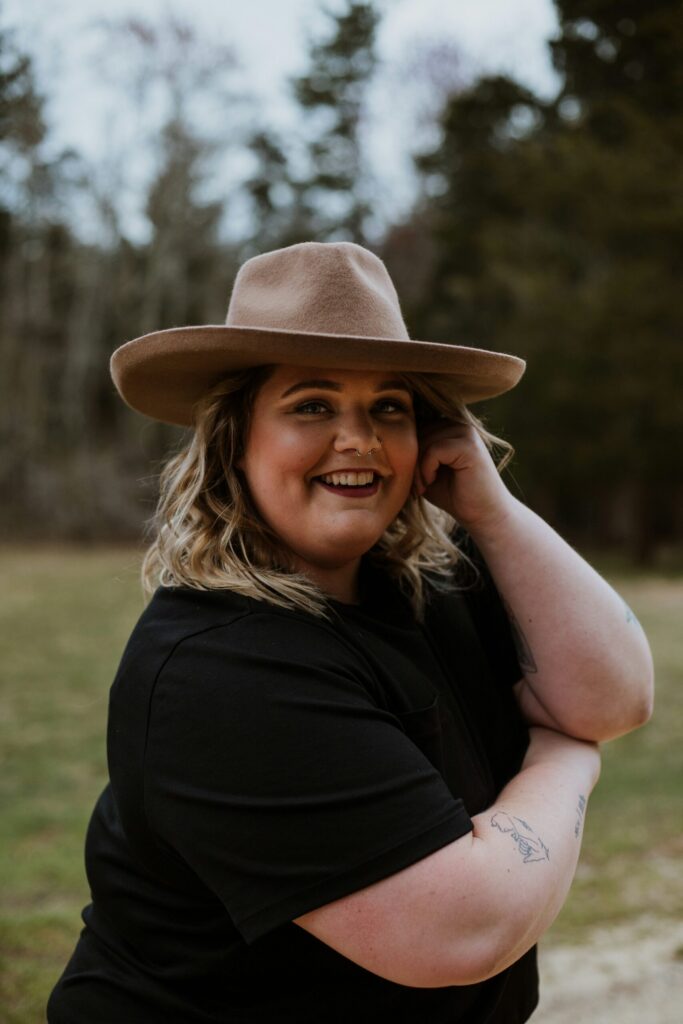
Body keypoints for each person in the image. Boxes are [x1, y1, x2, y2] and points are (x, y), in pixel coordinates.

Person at [47, 240, 654, 1023]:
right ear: (233, 439)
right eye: (312, 405)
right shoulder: (221, 667)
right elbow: (462, 929)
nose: (358, 438)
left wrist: (490, 508)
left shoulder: (437, 577)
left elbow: (616, 697)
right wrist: (564, 756)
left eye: (389, 408)